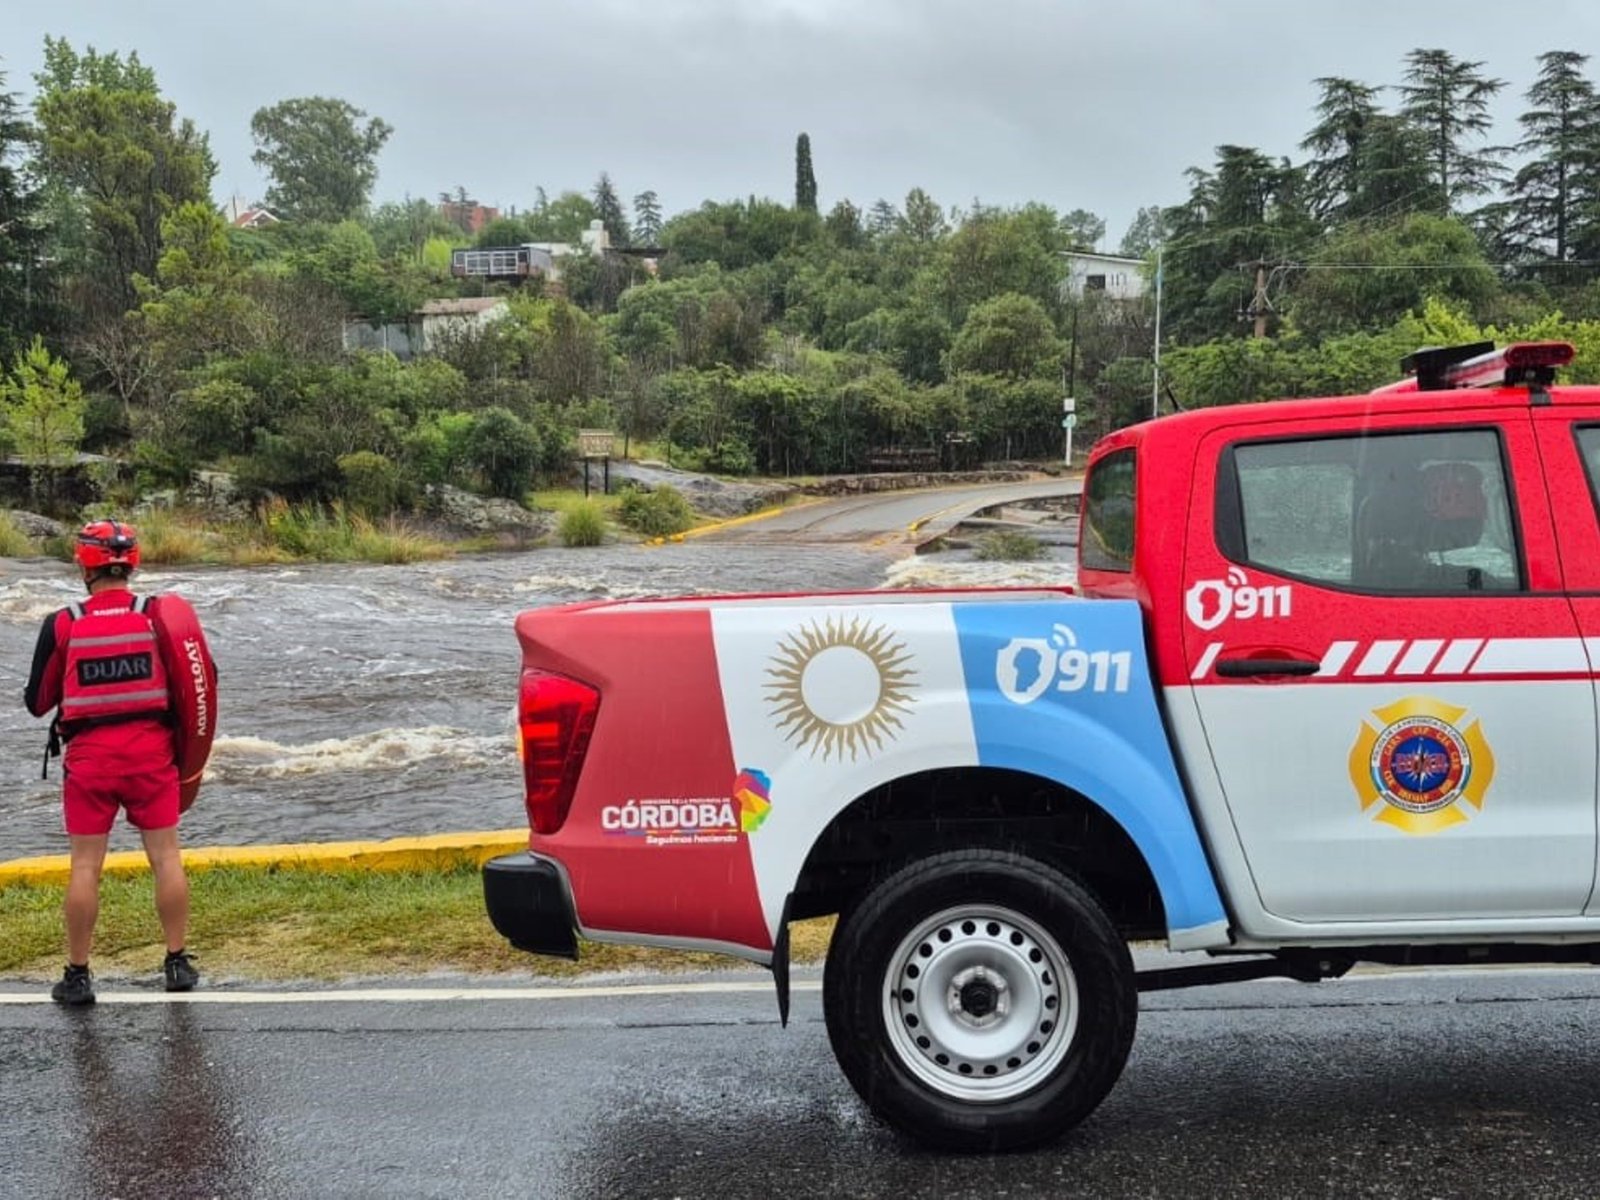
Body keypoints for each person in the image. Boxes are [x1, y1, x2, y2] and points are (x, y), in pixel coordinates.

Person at [24, 519, 204, 1005]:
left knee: (85, 866)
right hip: (152, 757)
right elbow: (194, 687)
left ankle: (78, 975)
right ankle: (177, 963)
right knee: (166, 857)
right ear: (132, 562)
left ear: (85, 564)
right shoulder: (157, 616)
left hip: (89, 763)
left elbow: (37, 702)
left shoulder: (65, 622)